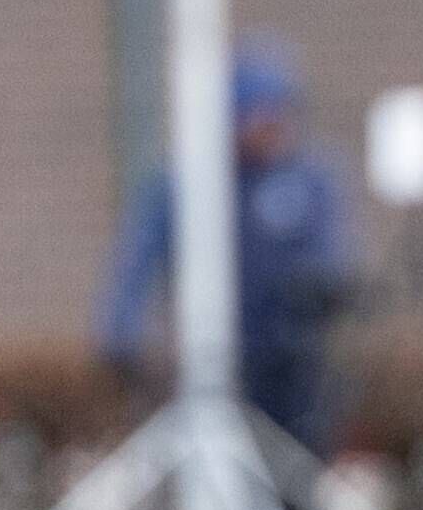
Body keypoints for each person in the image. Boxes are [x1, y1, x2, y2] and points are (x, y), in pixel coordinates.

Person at [94, 41, 357, 454]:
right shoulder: (185, 185)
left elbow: (332, 259)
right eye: (257, 114)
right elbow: (137, 265)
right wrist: (122, 332)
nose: (269, 127)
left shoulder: (310, 181)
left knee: (294, 466)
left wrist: (325, 292)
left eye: (277, 114)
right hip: (208, 363)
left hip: (292, 367)